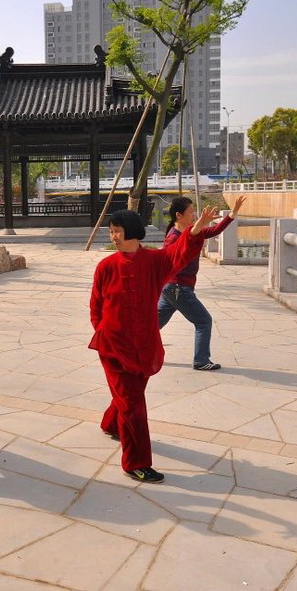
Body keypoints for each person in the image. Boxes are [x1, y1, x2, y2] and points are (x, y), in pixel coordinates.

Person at [90, 206, 219, 484]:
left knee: (130, 396)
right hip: (113, 347)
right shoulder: (106, 266)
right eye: (111, 231)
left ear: (132, 232)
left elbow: (179, 253)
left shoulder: (155, 262)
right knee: (134, 405)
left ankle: (111, 423)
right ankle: (135, 463)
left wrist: (196, 229)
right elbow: (96, 306)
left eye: (117, 231)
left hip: (144, 345)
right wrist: (103, 331)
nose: (113, 236)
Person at [157, 194, 247, 371]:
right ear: (179, 215)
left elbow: (214, 231)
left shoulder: (192, 231)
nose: (194, 214)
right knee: (204, 322)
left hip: (172, 289)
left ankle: (128, 346)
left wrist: (233, 213)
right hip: (178, 288)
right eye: (191, 211)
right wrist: (200, 224)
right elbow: (170, 256)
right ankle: (201, 360)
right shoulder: (173, 237)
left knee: (153, 324)